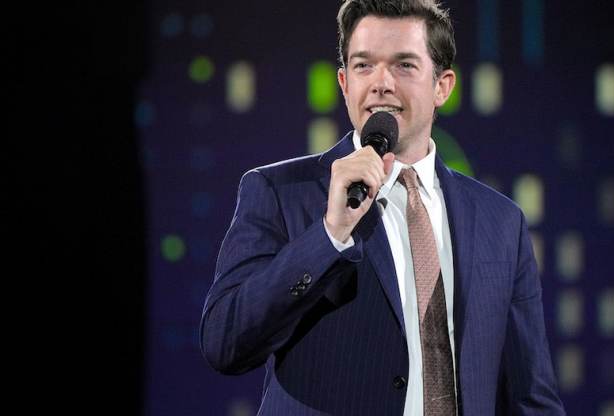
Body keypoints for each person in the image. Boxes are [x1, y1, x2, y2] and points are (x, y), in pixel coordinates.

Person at [200, 0, 566, 414]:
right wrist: (329, 235)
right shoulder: (280, 192)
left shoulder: (500, 222)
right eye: (363, 66)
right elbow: (225, 343)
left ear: (443, 86)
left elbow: (531, 395)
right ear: (344, 83)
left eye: (404, 65)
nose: (381, 83)